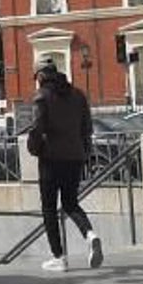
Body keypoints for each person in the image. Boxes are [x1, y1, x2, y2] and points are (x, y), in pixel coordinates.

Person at [28, 60, 103, 272]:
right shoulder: (78, 95)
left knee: (49, 208)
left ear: (41, 76)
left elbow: (37, 128)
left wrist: (35, 148)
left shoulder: (42, 97)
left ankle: (59, 257)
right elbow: (87, 128)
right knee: (71, 203)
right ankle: (90, 234)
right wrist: (84, 152)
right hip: (74, 157)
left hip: (50, 159)